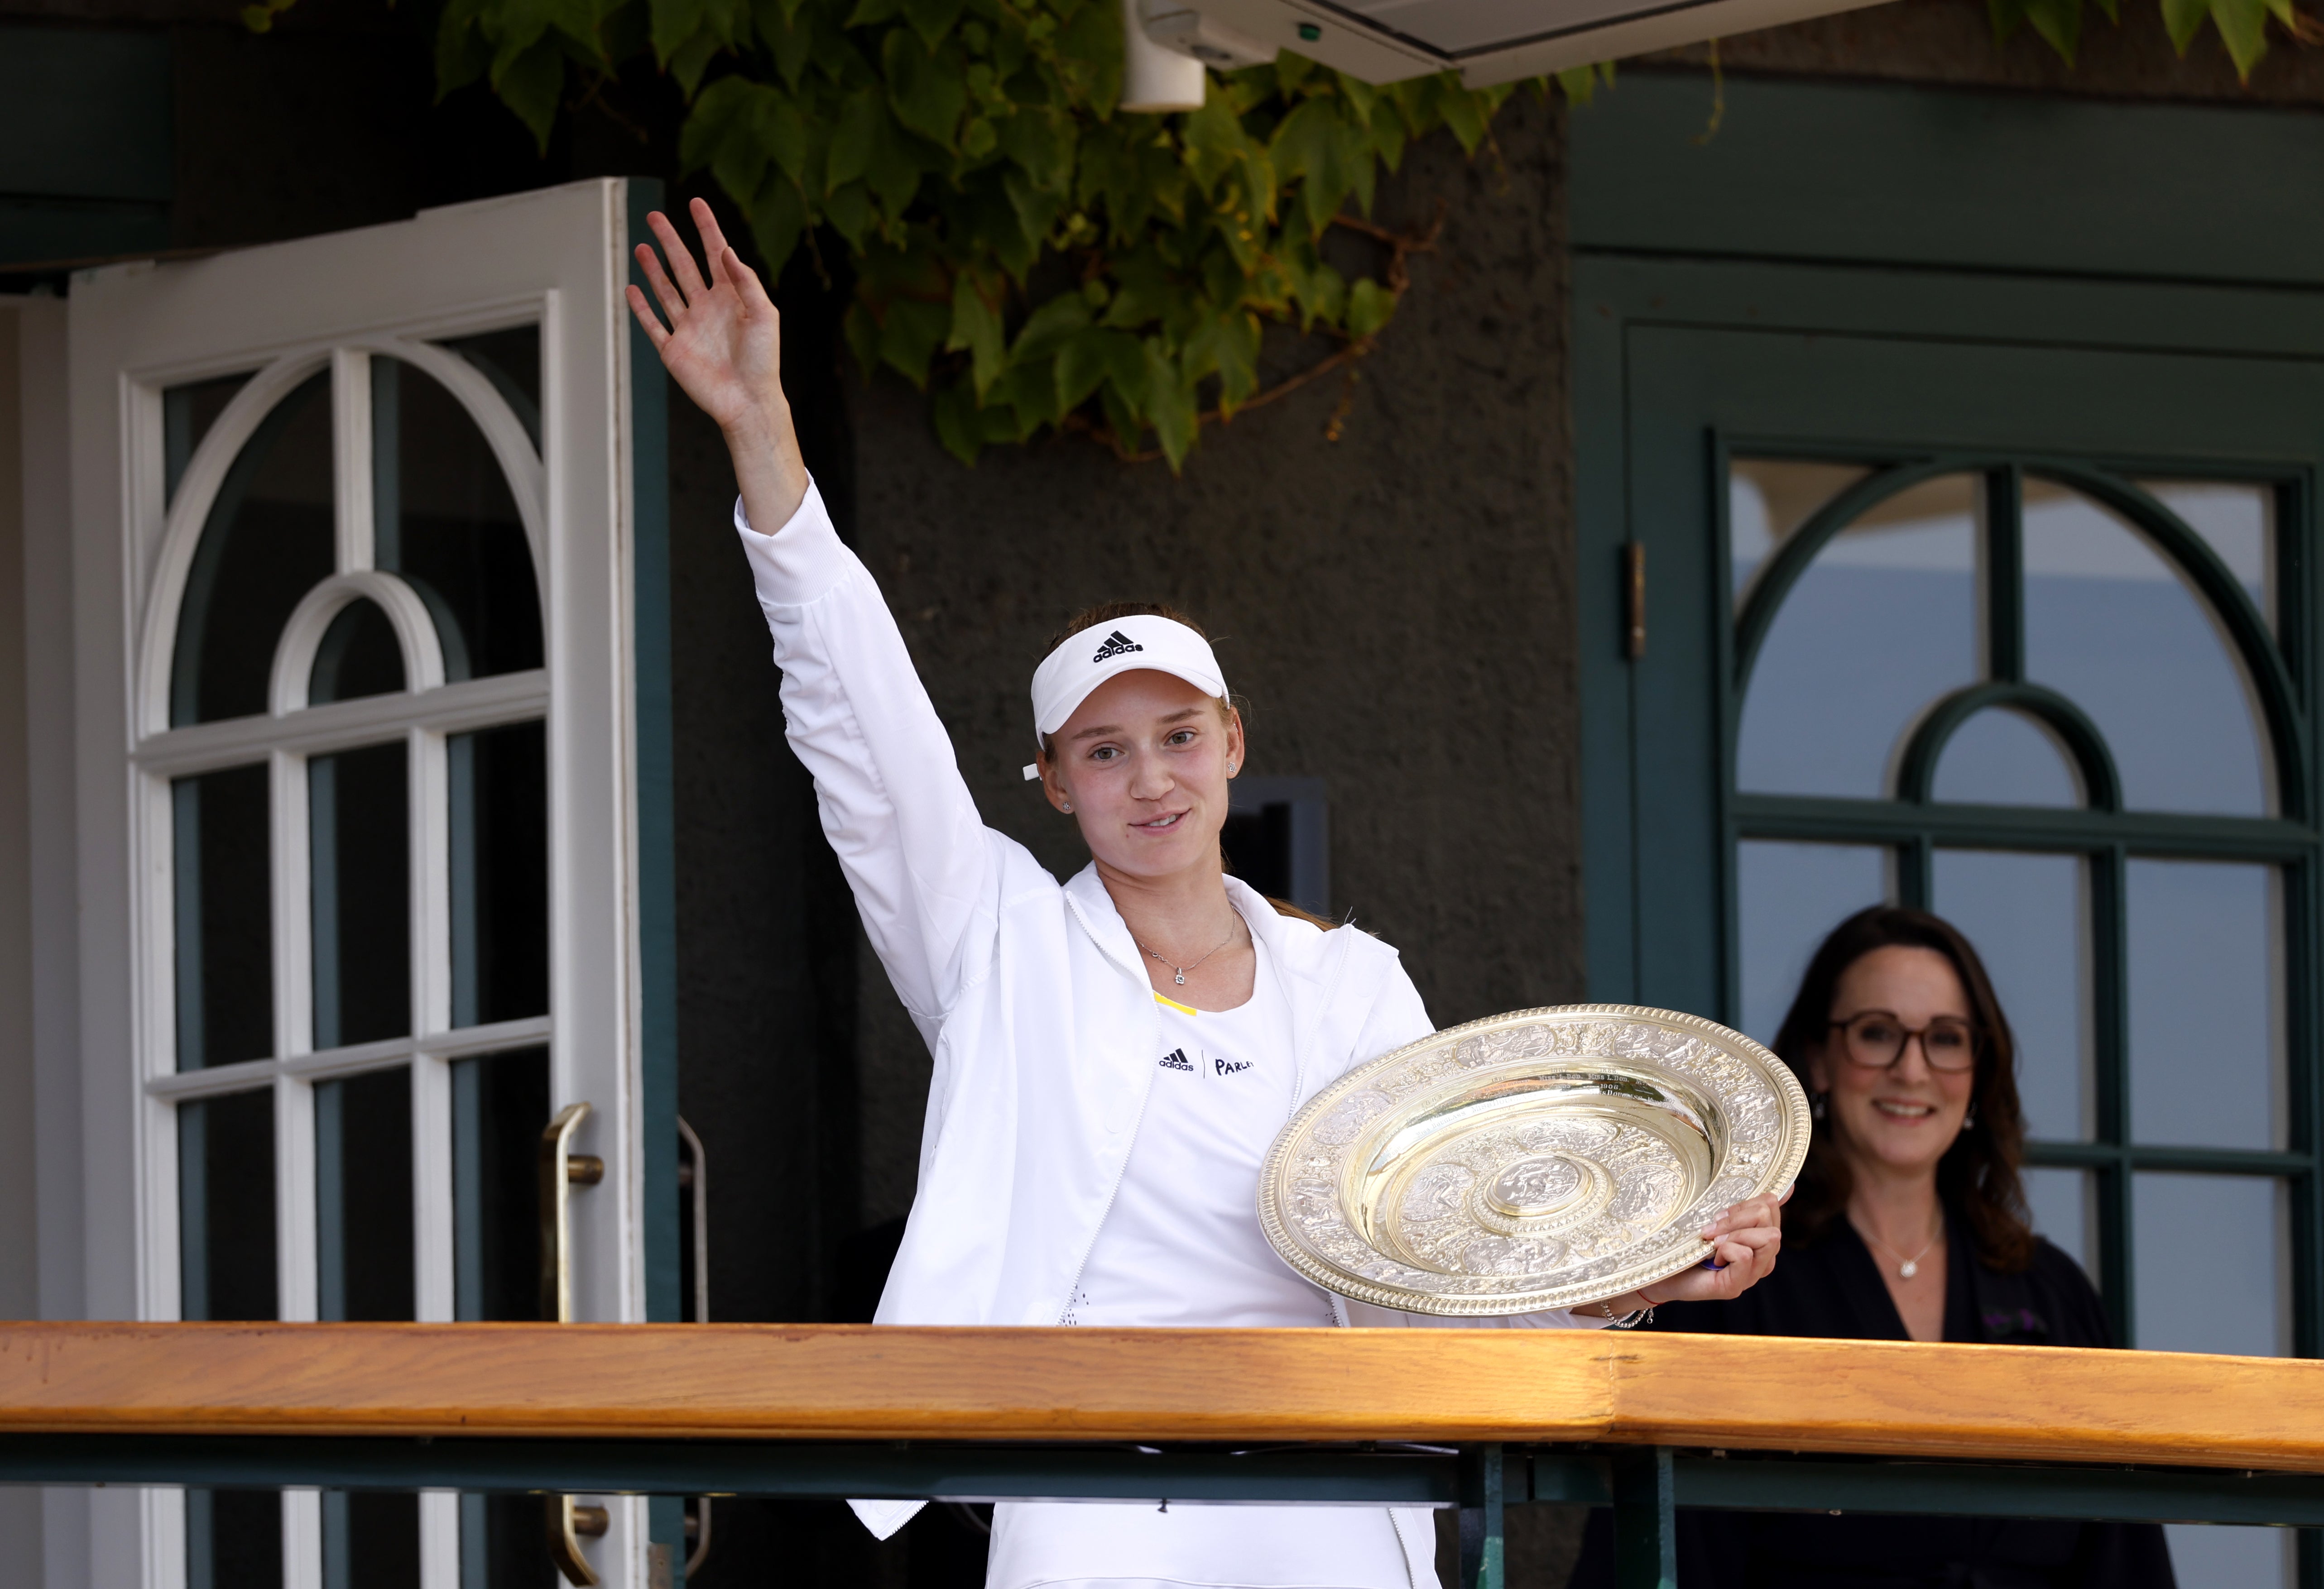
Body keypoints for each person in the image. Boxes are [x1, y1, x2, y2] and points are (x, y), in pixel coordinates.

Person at [624, 198, 1787, 1589]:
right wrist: (764, 433)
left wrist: (1650, 1263)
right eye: (1103, 752)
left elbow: (1441, 1266)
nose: (1149, 778)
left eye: (1177, 736)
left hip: (1335, 1494)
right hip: (1092, 1498)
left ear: (1233, 742)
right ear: (1053, 783)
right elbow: (861, 736)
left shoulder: (1352, 982)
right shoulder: (1001, 945)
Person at [1572, 905, 2176, 1589]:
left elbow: (2127, 1558)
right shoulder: (1740, 1280)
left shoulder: (2053, 1291)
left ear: (1980, 1068)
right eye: (1878, 1033)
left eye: (1946, 1039)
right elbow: (1666, 1545)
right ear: (1819, 1060)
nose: (1911, 1069)